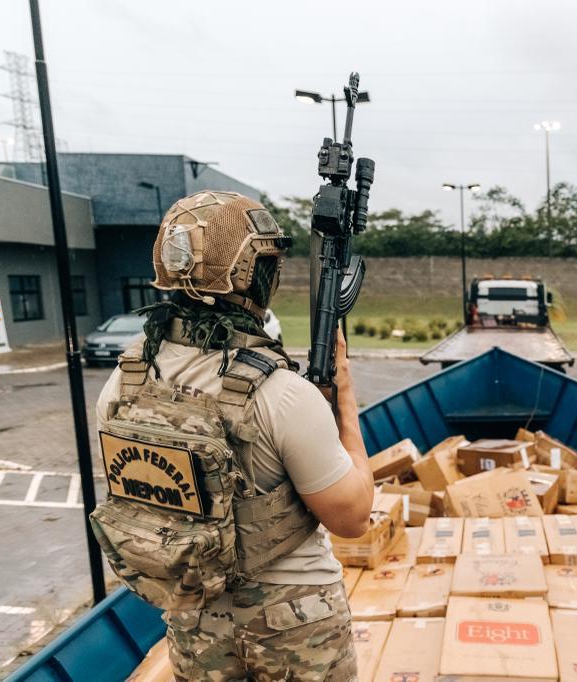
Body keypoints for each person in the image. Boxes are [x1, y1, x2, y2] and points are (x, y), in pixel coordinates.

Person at [90, 191, 373, 681]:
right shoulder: (281, 393)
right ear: (253, 275)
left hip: (194, 619)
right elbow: (352, 517)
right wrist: (343, 396)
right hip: (296, 627)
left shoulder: (124, 383)